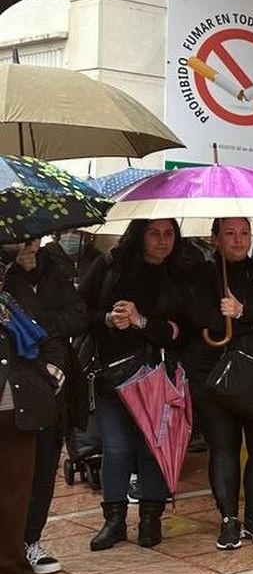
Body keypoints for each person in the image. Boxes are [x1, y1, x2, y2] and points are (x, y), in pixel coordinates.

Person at [182, 219, 253, 550]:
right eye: (229, 233)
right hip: (214, 378)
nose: (238, 240)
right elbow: (201, 318)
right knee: (224, 448)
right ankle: (228, 520)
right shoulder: (200, 275)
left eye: (244, 233)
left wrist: (243, 311)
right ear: (215, 238)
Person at [86, 218, 192, 551]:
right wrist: (107, 319)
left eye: (169, 233)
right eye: (154, 233)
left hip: (157, 376)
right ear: (140, 234)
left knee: (152, 448)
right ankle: (114, 521)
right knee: (116, 448)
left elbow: (183, 332)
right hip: (112, 375)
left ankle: (151, 519)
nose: (163, 241)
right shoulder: (110, 265)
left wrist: (141, 321)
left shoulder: (183, 274)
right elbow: (78, 309)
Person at [4, 239, 87, 574]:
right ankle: (9, 551)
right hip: (11, 392)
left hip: (49, 384)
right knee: (11, 479)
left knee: (43, 468)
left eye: (35, 237)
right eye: (22, 238)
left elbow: (78, 317)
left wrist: (51, 362)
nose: (30, 244)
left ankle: (30, 541)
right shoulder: (7, 278)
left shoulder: (55, 270)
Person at [0, 243, 65, 574]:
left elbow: (49, 335)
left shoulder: (14, 298)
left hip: (17, 410)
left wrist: (52, 375)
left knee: (14, 499)